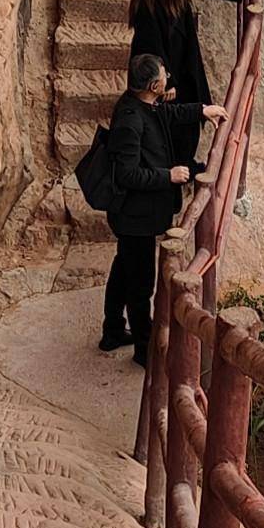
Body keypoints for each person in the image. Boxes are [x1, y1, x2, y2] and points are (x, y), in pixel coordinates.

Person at [128, 0, 260, 171]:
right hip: (166, 81)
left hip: (186, 72)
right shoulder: (147, 8)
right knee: (173, 127)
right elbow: (151, 49)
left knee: (188, 125)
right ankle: (175, 171)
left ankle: (183, 166)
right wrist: (165, 83)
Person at [98, 53, 190, 354]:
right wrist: (168, 176)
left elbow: (169, 115)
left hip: (135, 216)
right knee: (141, 285)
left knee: (124, 269)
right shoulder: (130, 120)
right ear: (154, 84)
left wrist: (204, 110)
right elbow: (127, 174)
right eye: (164, 73)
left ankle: (112, 331)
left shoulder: (142, 104)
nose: (168, 76)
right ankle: (144, 349)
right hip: (134, 218)